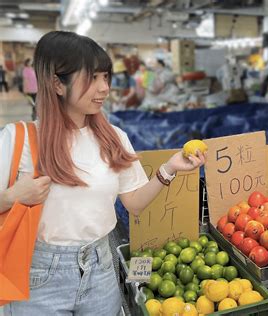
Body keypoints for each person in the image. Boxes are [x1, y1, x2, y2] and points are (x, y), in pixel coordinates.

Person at [0, 31, 206, 315]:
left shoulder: (114, 137)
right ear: (57, 83)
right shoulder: (18, 139)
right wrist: (12, 196)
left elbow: (133, 202)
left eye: (105, 77)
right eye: (92, 78)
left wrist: (169, 169)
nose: (104, 88)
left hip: (101, 269)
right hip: (39, 277)